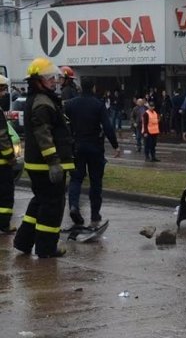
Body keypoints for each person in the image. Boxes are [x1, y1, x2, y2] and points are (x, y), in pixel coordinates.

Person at [13, 58, 74, 258]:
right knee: (52, 207)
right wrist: (54, 162)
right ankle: (46, 248)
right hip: (46, 166)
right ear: (37, 80)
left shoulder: (40, 99)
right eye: (49, 78)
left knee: (40, 202)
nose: (54, 81)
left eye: (53, 77)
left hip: (39, 165)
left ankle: (23, 241)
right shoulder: (42, 103)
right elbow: (44, 135)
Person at [64, 78, 120, 227]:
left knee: (76, 179)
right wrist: (115, 145)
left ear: (81, 88)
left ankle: (74, 206)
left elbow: (63, 122)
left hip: (77, 146)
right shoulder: (98, 105)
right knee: (96, 182)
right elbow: (107, 126)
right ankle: (95, 214)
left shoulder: (71, 104)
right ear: (94, 88)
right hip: (95, 147)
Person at [0, 75, 17, 233]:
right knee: (5, 194)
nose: (4, 93)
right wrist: (10, 156)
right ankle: (4, 224)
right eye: (2, 89)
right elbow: (2, 137)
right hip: (2, 163)